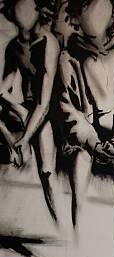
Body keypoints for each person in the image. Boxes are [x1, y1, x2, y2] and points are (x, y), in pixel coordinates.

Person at [58, 0, 114, 225]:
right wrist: (92, 143)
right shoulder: (69, 56)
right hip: (86, 141)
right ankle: (76, 244)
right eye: (85, 5)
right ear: (76, 13)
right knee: (79, 187)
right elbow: (69, 109)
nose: (93, 12)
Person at [0, 0, 60, 221]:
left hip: (51, 112)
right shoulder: (13, 47)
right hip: (27, 109)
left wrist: (25, 138)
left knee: (46, 172)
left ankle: (61, 225)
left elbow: (44, 103)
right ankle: (12, 146)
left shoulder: (48, 42)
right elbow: (5, 85)